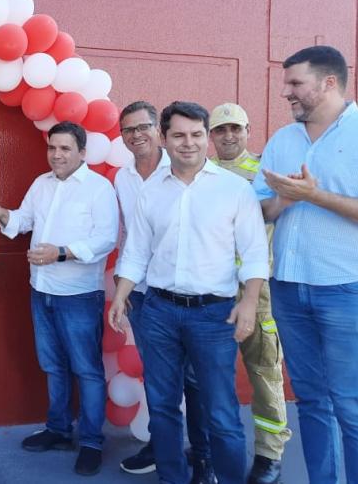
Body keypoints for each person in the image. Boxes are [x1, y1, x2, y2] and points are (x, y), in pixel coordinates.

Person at [253, 45, 358, 484]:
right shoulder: (283, 140)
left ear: (328, 83)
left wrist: (314, 196)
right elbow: (258, 209)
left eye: (295, 82)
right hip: (289, 288)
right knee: (311, 402)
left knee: (353, 407)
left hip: (352, 290)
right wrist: (284, 200)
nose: (285, 92)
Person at [109, 101, 268, 484]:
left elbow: (254, 253)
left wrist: (249, 302)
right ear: (164, 138)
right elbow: (137, 251)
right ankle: (172, 478)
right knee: (163, 407)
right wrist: (121, 294)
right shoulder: (151, 191)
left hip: (214, 316)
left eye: (197, 134)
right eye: (179, 135)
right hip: (159, 312)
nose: (189, 143)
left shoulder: (234, 189)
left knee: (221, 413)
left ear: (206, 137)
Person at [0, 121, 119, 477]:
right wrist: (4, 214)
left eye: (65, 149)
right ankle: (58, 430)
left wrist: (60, 252)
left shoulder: (99, 188)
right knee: (53, 366)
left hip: (78, 296)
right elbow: (24, 220)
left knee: (87, 370)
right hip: (41, 291)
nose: (57, 155)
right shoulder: (41, 183)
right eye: (52, 147)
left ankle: (91, 442)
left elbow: (106, 238)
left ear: (82, 153)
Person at [113, 101, 214, 482]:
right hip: (142, 294)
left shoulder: (182, 170)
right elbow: (130, 236)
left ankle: (203, 457)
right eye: (128, 130)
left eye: (143, 127)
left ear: (159, 130)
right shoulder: (123, 177)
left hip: (187, 294)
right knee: (159, 380)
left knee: (196, 381)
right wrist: (123, 287)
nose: (136, 135)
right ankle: (162, 448)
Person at [208, 103, 291, 484]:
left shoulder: (264, 172)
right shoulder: (202, 172)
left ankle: (269, 454)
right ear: (211, 135)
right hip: (211, 289)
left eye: (235, 129)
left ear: (247, 130)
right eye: (220, 130)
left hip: (256, 291)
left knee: (263, 372)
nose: (228, 136)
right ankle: (211, 446)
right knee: (209, 375)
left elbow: (274, 212)